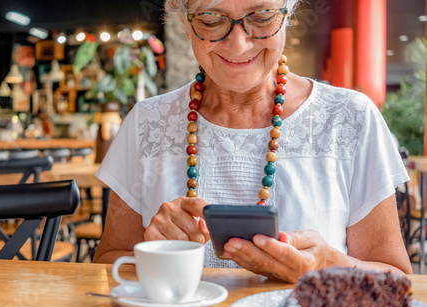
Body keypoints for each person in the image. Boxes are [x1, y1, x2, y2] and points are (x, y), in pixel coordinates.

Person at [93, 0, 412, 282]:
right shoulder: (147, 122)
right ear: (185, 22)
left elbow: (398, 280)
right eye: (210, 18)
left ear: (287, 15)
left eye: (261, 16)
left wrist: (327, 268)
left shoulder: (349, 118)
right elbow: (106, 265)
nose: (238, 43)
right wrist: (152, 253)